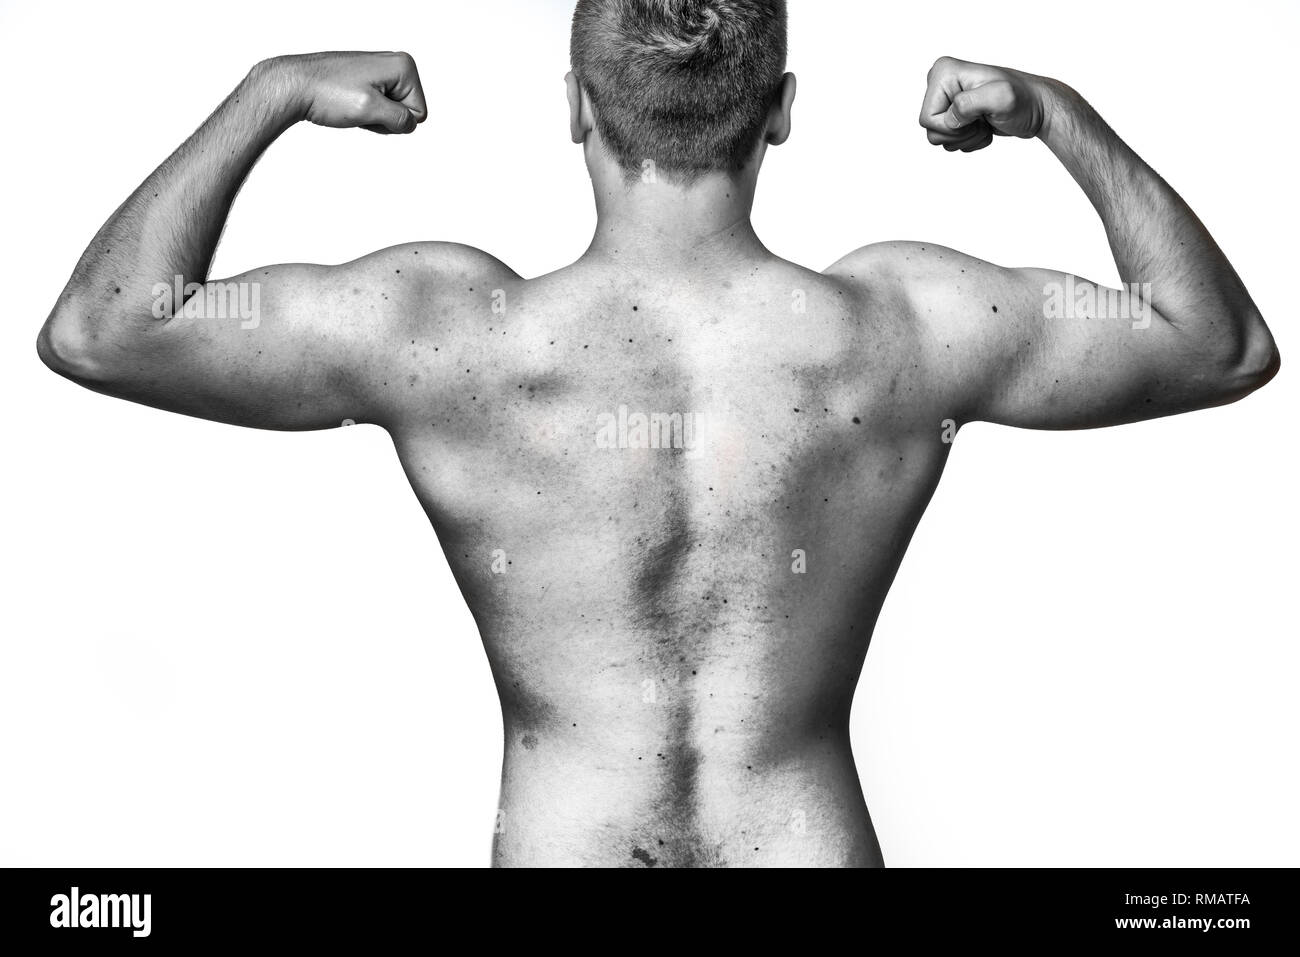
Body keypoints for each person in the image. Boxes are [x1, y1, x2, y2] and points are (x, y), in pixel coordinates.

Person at [37, 1, 1278, 867]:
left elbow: (103, 327)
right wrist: (1058, 116)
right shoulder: (908, 326)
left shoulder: (447, 331)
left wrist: (271, 95)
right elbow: (1218, 343)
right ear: (779, 111)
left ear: (576, 107)